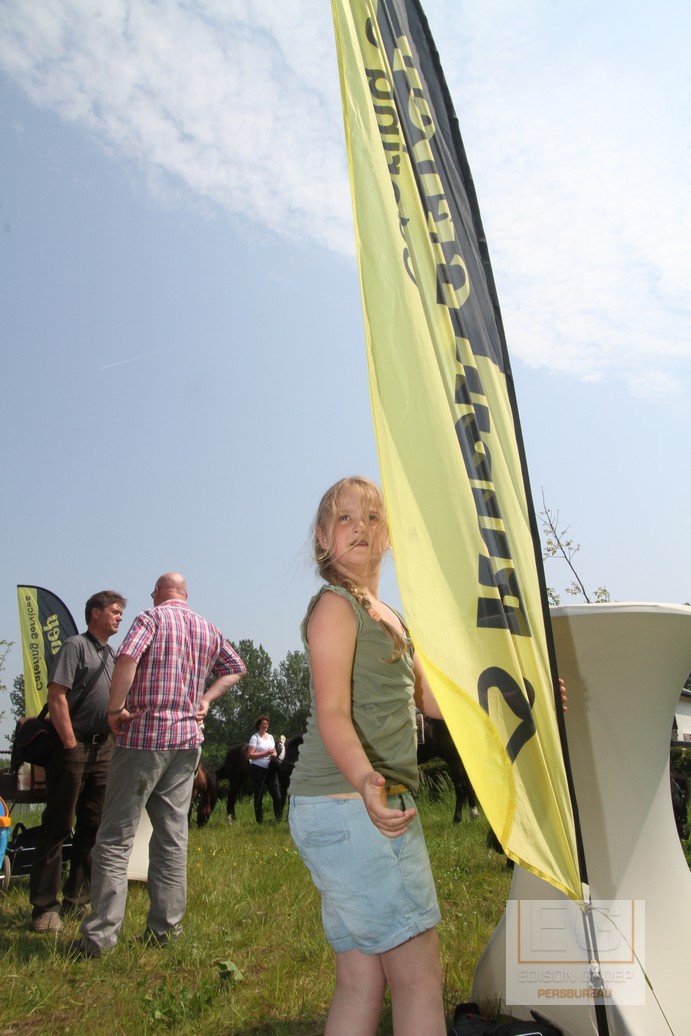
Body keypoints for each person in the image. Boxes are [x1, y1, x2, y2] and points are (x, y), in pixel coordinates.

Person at [288, 477, 448, 1036]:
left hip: (339, 810)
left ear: (389, 536)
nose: (360, 527)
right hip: (354, 805)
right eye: (345, 518)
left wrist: (522, 698)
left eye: (373, 518)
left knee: (361, 979)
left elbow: (433, 701)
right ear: (322, 537)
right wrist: (365, 781)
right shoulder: (336, 607)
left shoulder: (390, 616)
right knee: (420, 978)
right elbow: (332, 711)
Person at [76, 572, 245, 957]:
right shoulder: (207, 628)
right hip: (186, 744)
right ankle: (165, 932)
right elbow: (236, 668)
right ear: (185, 594)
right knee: (172, 837)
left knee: (115, 837)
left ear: (157, 593)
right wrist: (207, 699)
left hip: (144, 738)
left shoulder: (150, 619)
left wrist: (115, 710)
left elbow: (127, 658)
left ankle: (99, 939)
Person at [29, 590, 127, 933]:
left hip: (104, 750)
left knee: (93, 826)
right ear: (95, 613)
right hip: (73, 748)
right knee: (57, 826)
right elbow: (56, 695)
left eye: (121, 612)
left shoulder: (113, 655)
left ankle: (78, 898)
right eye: (114, 611)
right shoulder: (75, 646)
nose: (119, 617)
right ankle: (44, 908)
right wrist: (70, 744)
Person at [247, 715, 283, 823]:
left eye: (267, 724)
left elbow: (274, 750)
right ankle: (260, 820)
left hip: (270, 768)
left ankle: (278, 819)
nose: (266, 725)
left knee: (277, 794)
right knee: (259, 794)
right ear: (259, 725)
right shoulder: (255, 737)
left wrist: (274, 754)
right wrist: (265, 753)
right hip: (258, 768)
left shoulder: (270, 737)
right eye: (263, 723)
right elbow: (250, 755)